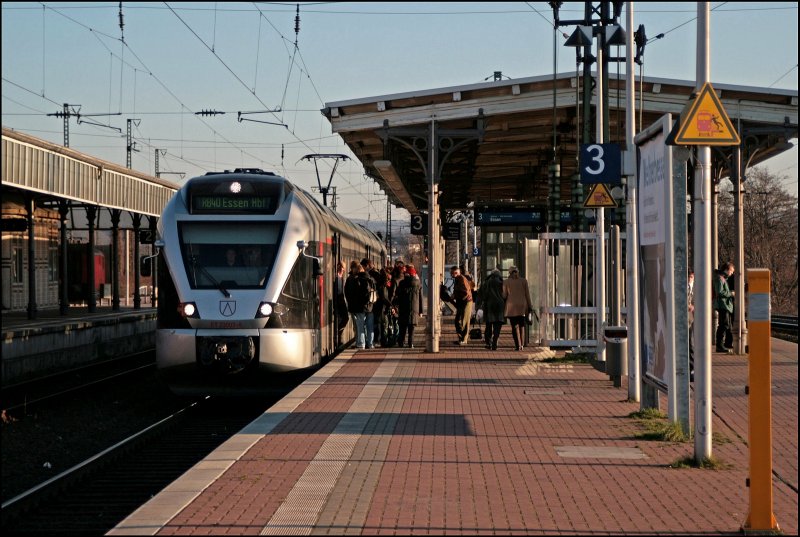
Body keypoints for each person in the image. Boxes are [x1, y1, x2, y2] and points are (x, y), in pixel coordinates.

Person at [344, 260, 376, 349]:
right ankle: (370, 344)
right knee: (370, 327)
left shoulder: (356, 280)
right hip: (370, 306)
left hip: (360, 307)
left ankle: (361, 344)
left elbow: (350, 293)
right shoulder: (370, 278)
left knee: (360, 326)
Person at [503, 266, 532, 351]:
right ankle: (522, 344)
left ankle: (518, 345)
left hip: (512, 307)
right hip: (522, 306)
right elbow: (527, 295)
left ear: (509, 272)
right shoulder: (524, 281)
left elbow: (504, 295)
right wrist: (530, 306)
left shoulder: (506, 282)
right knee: (522, 325)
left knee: (515, 326)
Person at [396, 265, 423, 348]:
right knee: (411, 328)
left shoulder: (401, 283)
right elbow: (420, 298)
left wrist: (397, 306)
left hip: (403, 307)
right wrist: (421, 311)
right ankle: (410, 343)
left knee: (402, 327)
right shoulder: (418, 284)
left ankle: (401, 342)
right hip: (414, 308)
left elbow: (398, 295)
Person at [481, 268, 506, 350]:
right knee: (498, 324)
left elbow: (484, 294)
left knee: (489, 324)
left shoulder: (487, 282)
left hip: (490, 304)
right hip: (500, 305)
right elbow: (505, 294)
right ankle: (495, 341)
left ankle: (489, 342)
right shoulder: (502, 282)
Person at [714, 262, 735, 354]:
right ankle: (719, 345)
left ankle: (725, 344)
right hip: (723, 305)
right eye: (731, 271)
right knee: (724, 325)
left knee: (727, 325)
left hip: (725, 305)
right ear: (727, 269)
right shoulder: (720, 279)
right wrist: (731, 293)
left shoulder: (723, 278)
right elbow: (720, 292)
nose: (732, 273)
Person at [451, 265, 473, 345]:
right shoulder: (458, 279)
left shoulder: (461, 279)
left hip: (466, 302)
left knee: (464, 320)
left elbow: (466, 292)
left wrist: (456, 296)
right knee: (458, 320)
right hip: (462, 302)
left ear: (456, 273)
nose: (451, 275)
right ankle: (461, 338)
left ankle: (464, 339)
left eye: (452, 273)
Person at [334, 260, 348, 348]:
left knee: (345, 318)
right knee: (341, 318)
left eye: (343, 268)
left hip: (341, 299)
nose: (342, 270)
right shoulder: (334, 276)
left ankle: (338, 333)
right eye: (341, 268)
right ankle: (338, 338)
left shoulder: (342, 277)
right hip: (336, 300)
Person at [687, 270, 695, 381]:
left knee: (691, 343)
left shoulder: (695, 288)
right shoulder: (684, 287)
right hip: (686, 318)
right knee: (689, 343)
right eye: (688, 276)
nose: (690, 279)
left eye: (691, 277)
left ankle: (691, 368)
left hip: (691, 319)